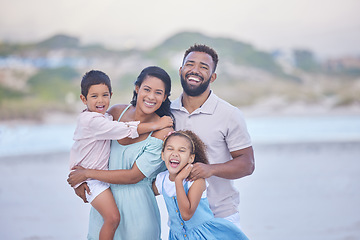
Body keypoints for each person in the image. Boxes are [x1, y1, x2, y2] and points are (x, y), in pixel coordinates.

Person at [67, 66, 174, 240]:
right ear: (137, 88)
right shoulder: (116, 112)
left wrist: (86, 174)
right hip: (104, 203)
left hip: (138, 211)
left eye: (158, 92)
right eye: (147, 89)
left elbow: (133, 176)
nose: (151, 97)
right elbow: (87, 143)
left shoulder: (162, 131)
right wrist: (79, 180)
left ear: (164, 97)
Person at [170, 44, 255, 228]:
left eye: (203, 67)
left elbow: (248, 164)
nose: (195, 70)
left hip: (221, 218)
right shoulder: (168, 113)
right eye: (190, 64)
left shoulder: (229, 114)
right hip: (180, 222)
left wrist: (212, 169)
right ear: (181, 70)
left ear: (213, 77)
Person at [153, 130, 249, 239]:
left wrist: (179, 180)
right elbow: (144, 193)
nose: (175, 153)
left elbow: (186, 215)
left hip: (203, 235)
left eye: (182, 150)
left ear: (191, 158)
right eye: (170, 149)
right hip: (177, 236)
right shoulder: (161, 179)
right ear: (162, 155)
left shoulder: (195, 181)